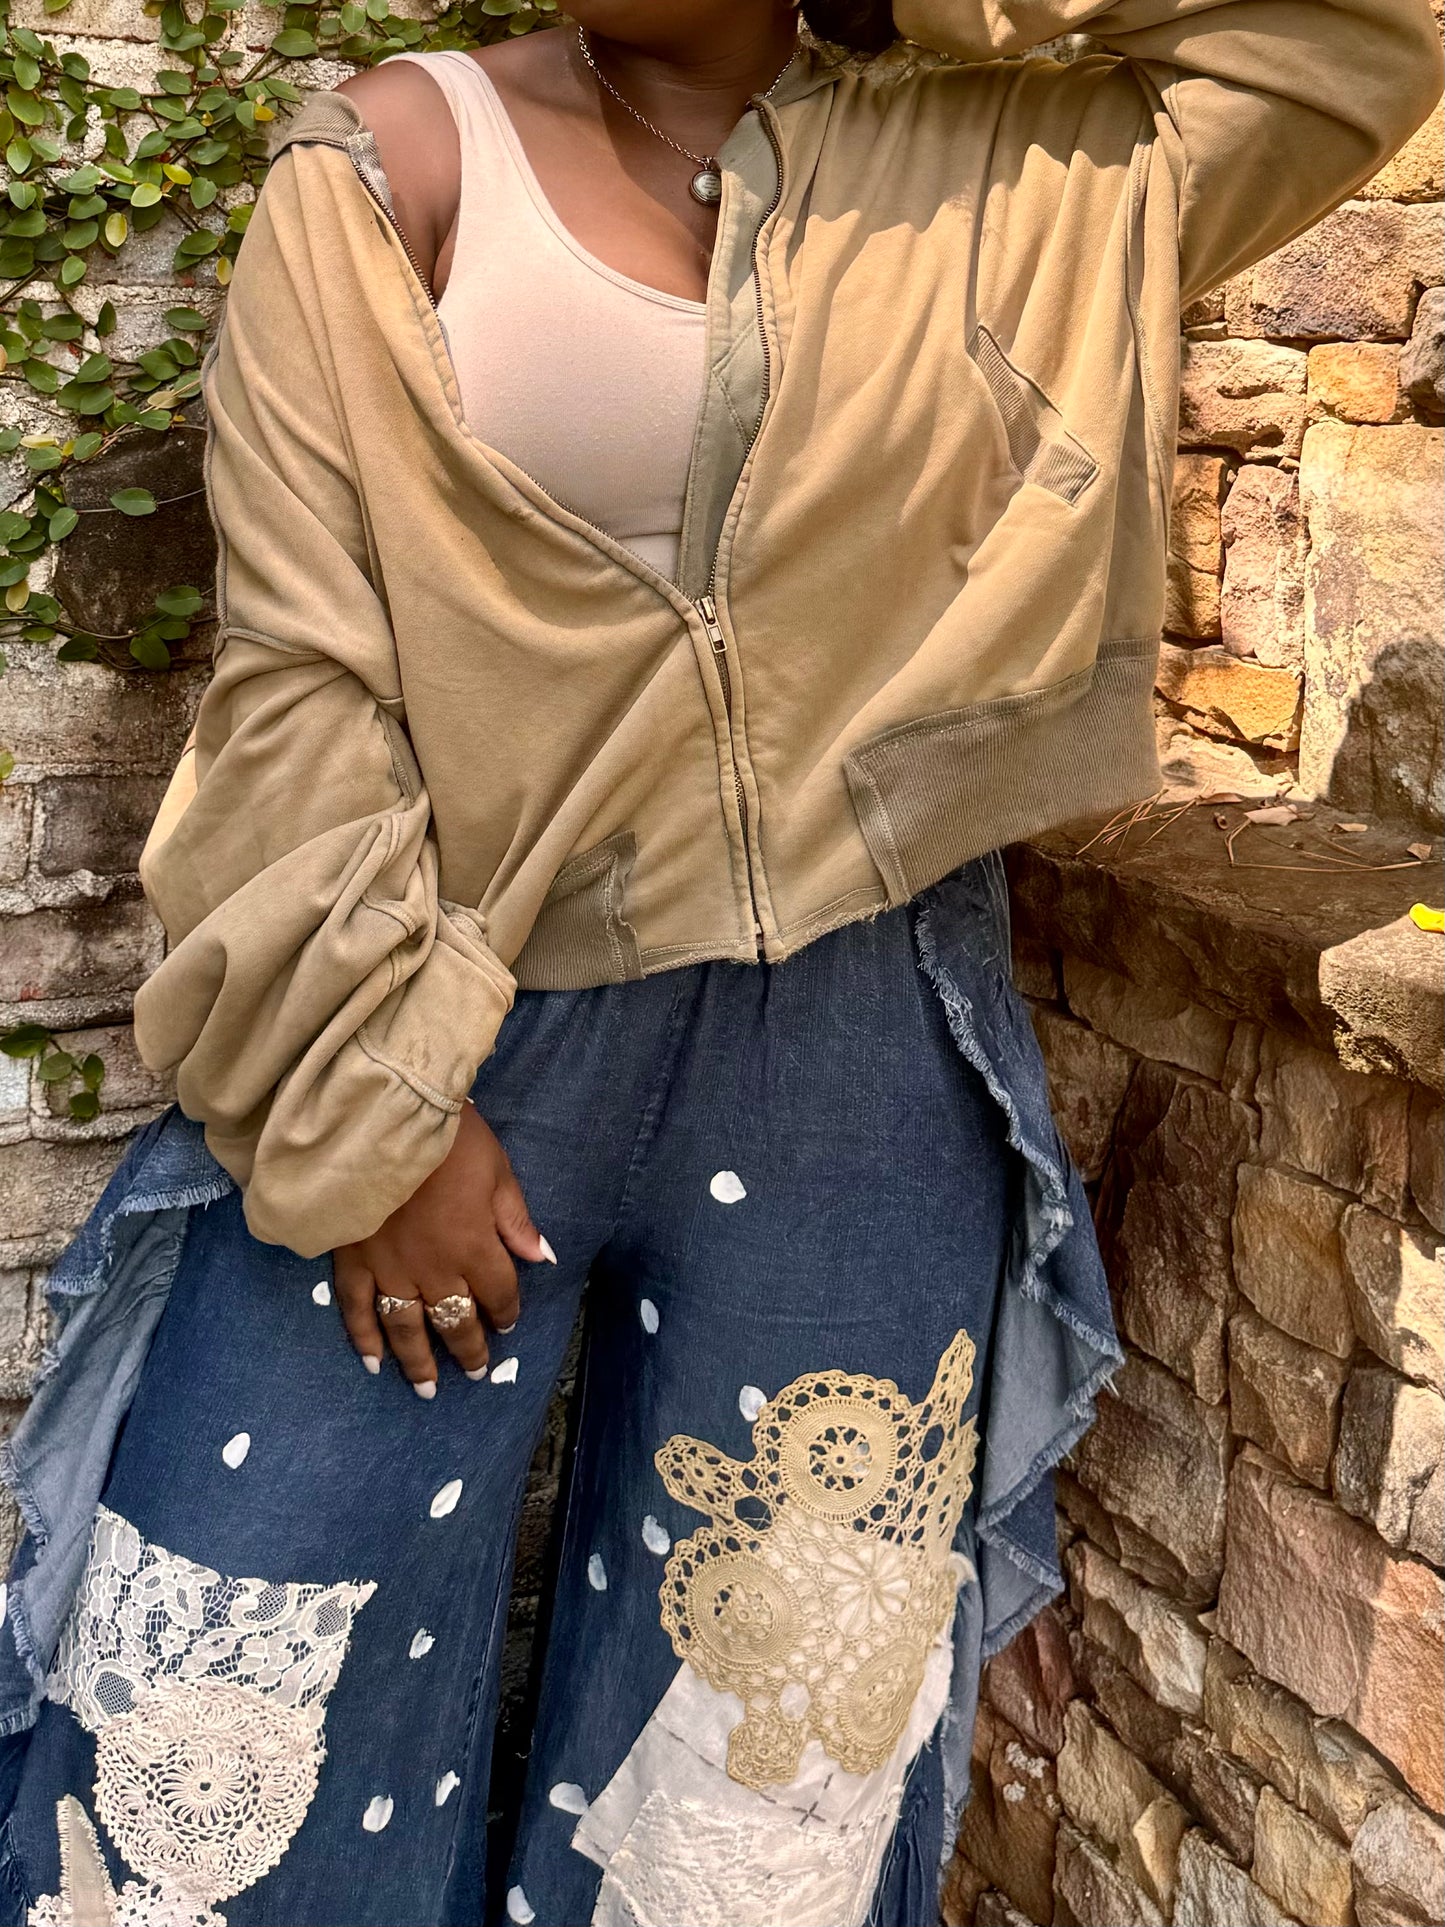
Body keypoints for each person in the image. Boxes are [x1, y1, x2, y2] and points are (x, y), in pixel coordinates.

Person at [0, 3, 1437, 1923]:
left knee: (768, 1785)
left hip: (863, 1037)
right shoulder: (391, 167)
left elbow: (1356, 39)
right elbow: (298, 671)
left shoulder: (1018, 160)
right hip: (445, 1014)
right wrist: (368, 1103)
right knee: (221, 1718)